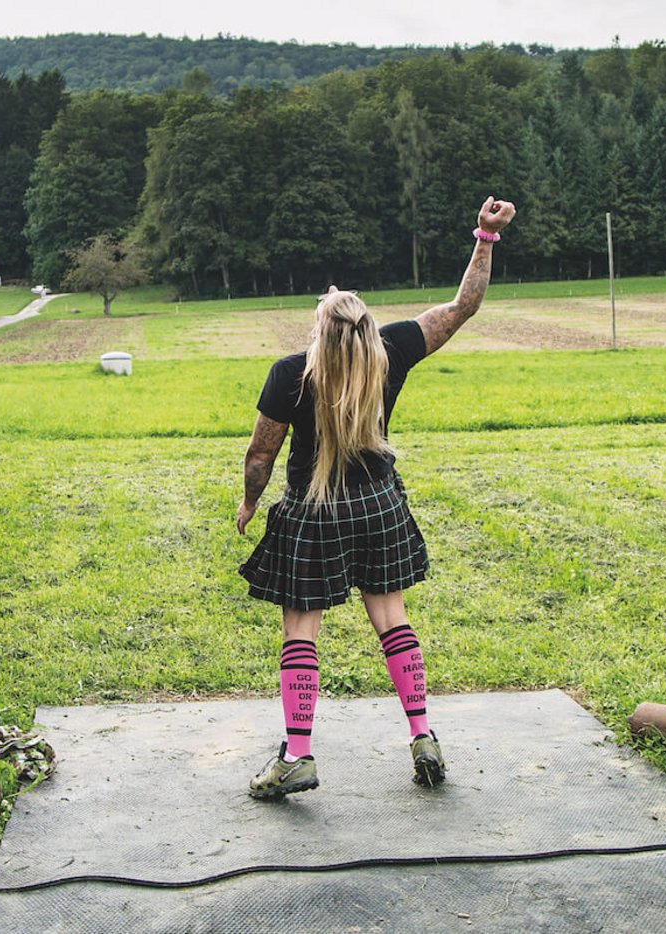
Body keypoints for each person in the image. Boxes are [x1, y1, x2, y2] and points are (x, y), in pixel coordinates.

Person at [237, 196, 517, 798]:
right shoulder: (390, 351)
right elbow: (463, 305)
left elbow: (261, 454)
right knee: (392, 619)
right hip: (379, 505)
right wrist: (484, 237)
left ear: (320, 330)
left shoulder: (290, 372)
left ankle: (298, 757)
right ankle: (422, 736)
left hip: (313, 515)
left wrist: (249, 502)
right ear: (364, 327)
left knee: (300, 630)